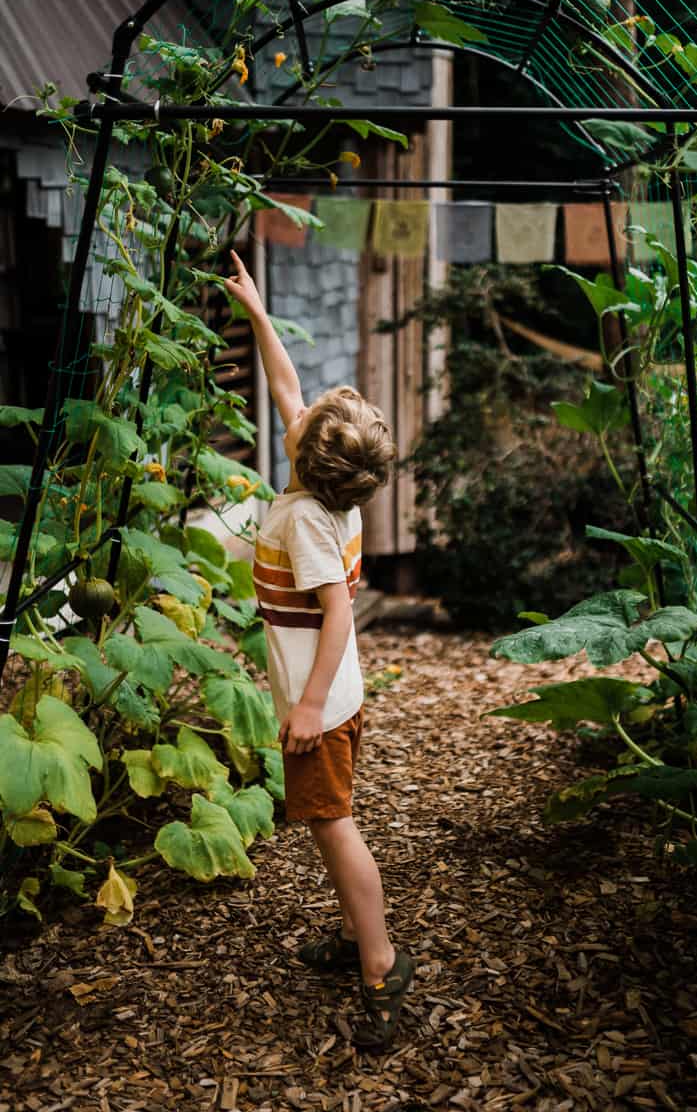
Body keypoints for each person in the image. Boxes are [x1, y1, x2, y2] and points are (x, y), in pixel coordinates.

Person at [224, 249, 414, 1051]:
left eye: (298, 427)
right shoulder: (328, 495)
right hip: (339, 698)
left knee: (336, 828)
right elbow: (287, 389)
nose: (290, 414)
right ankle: (354, 934)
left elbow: (340, 615)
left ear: (304, 458)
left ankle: (379, 963)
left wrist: (305, 708)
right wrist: (260, 314)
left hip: (322, 706)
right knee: (330, 826)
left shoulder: (303, 518)